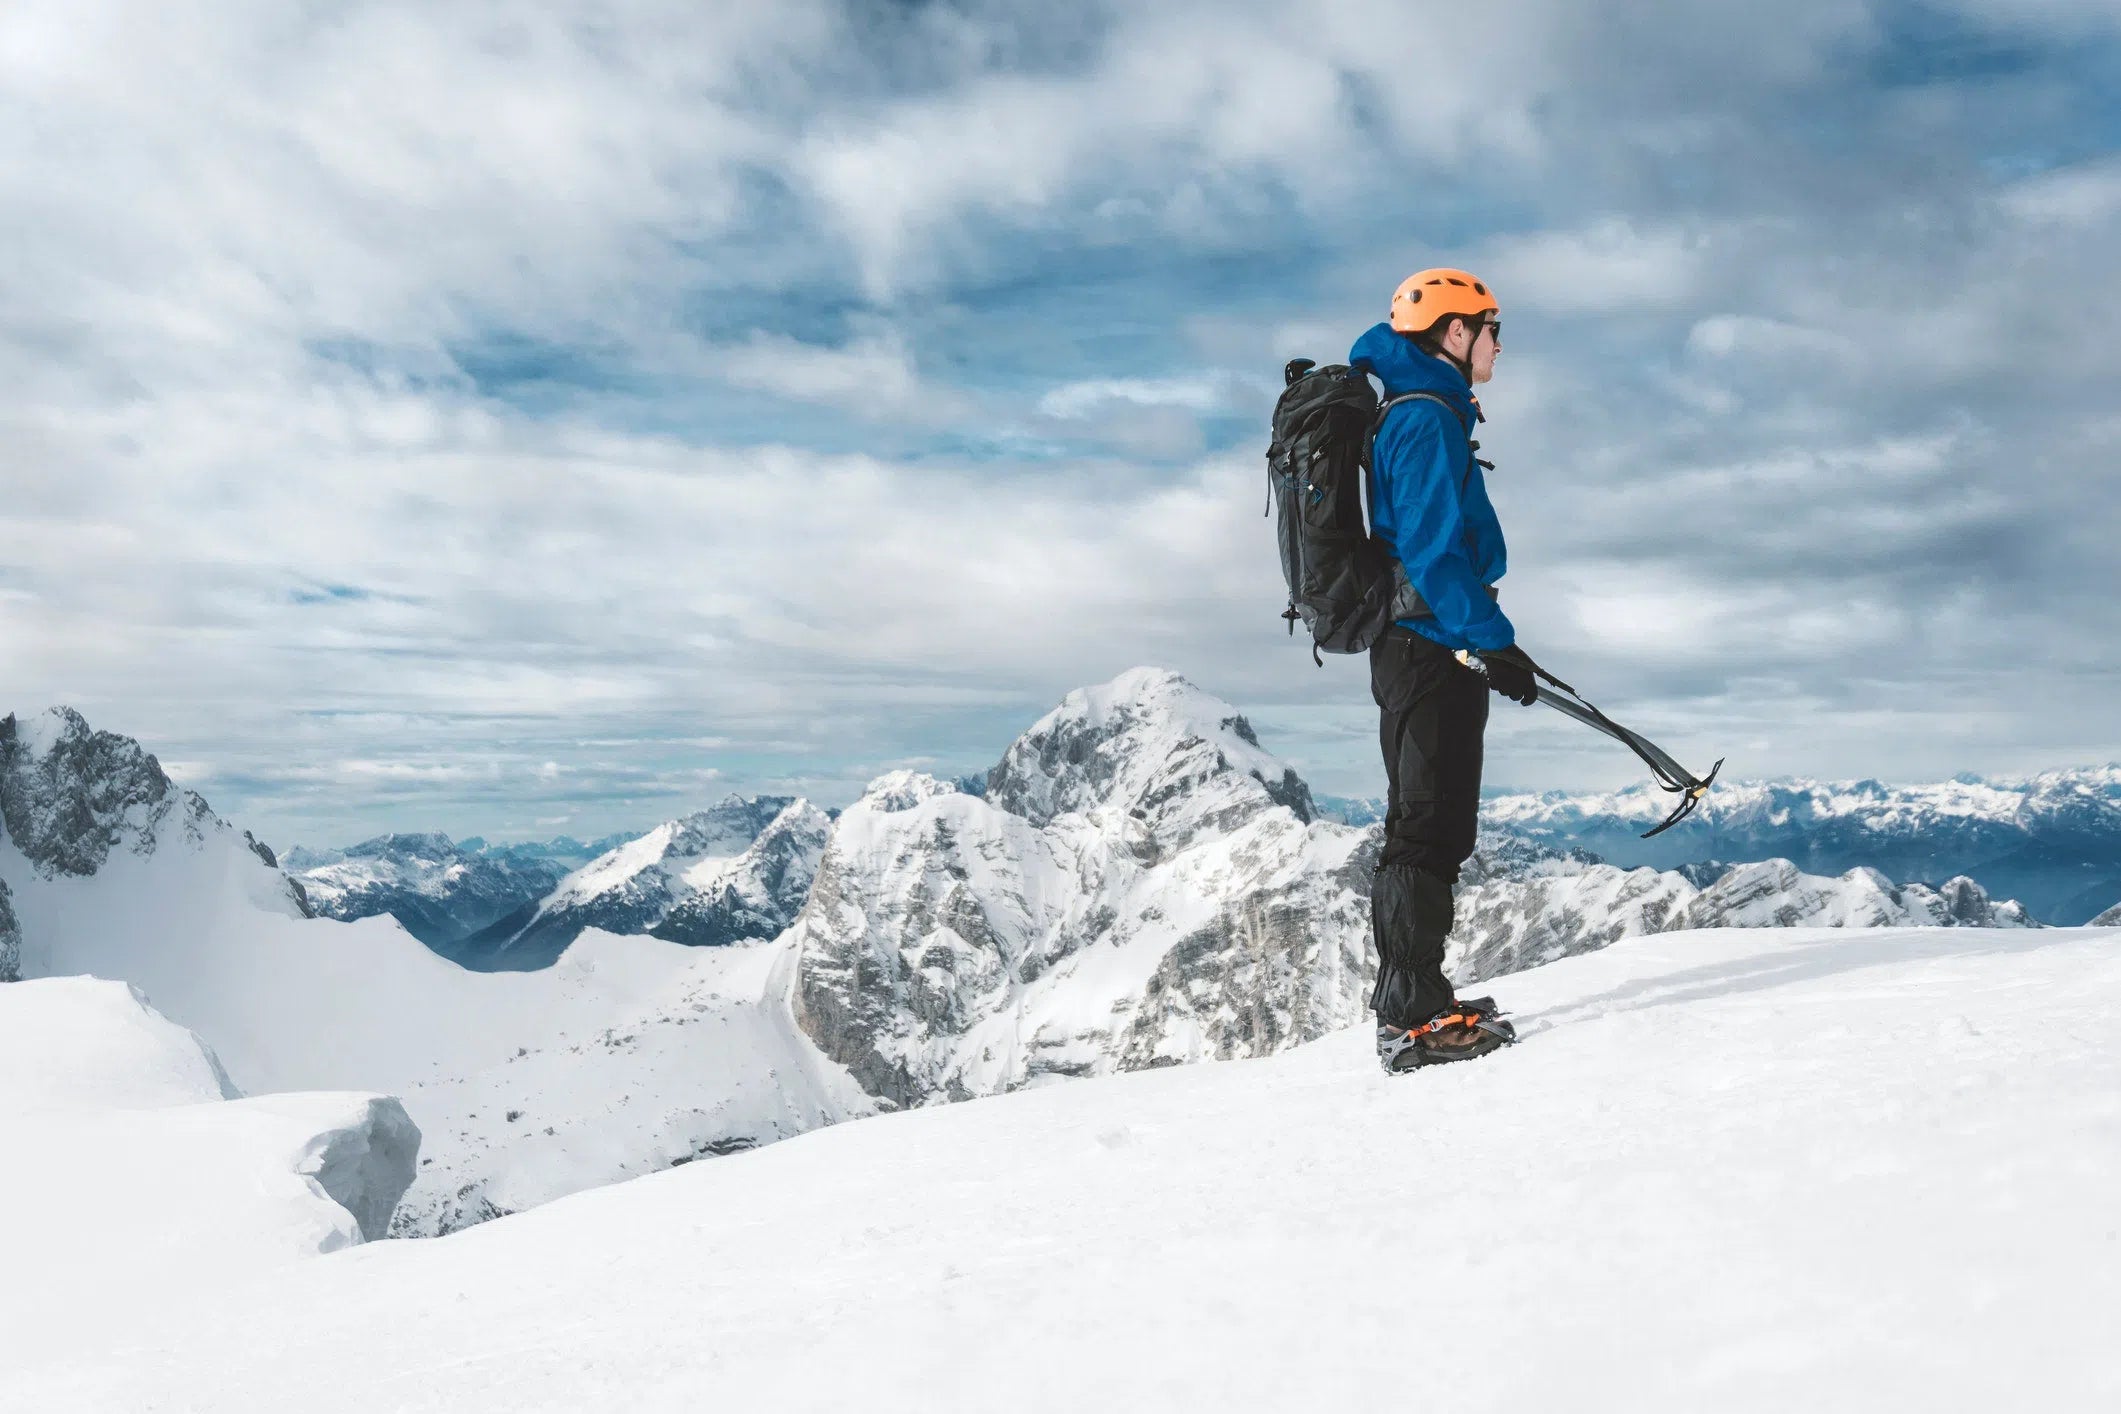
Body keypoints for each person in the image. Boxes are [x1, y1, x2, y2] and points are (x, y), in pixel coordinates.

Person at [1349, 268, 1542, 1072]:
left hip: (1435, 639)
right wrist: (1489, 637)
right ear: (1453, 334)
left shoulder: (1428, 412)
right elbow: (1430, 549)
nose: (1499, 343)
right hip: (1428, 642)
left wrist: (1484, 640)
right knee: (1424, 829)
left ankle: (1423, 997)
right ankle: (1411, 1020)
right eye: (1491, 327)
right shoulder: (1424, 419)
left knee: (1437, 825)